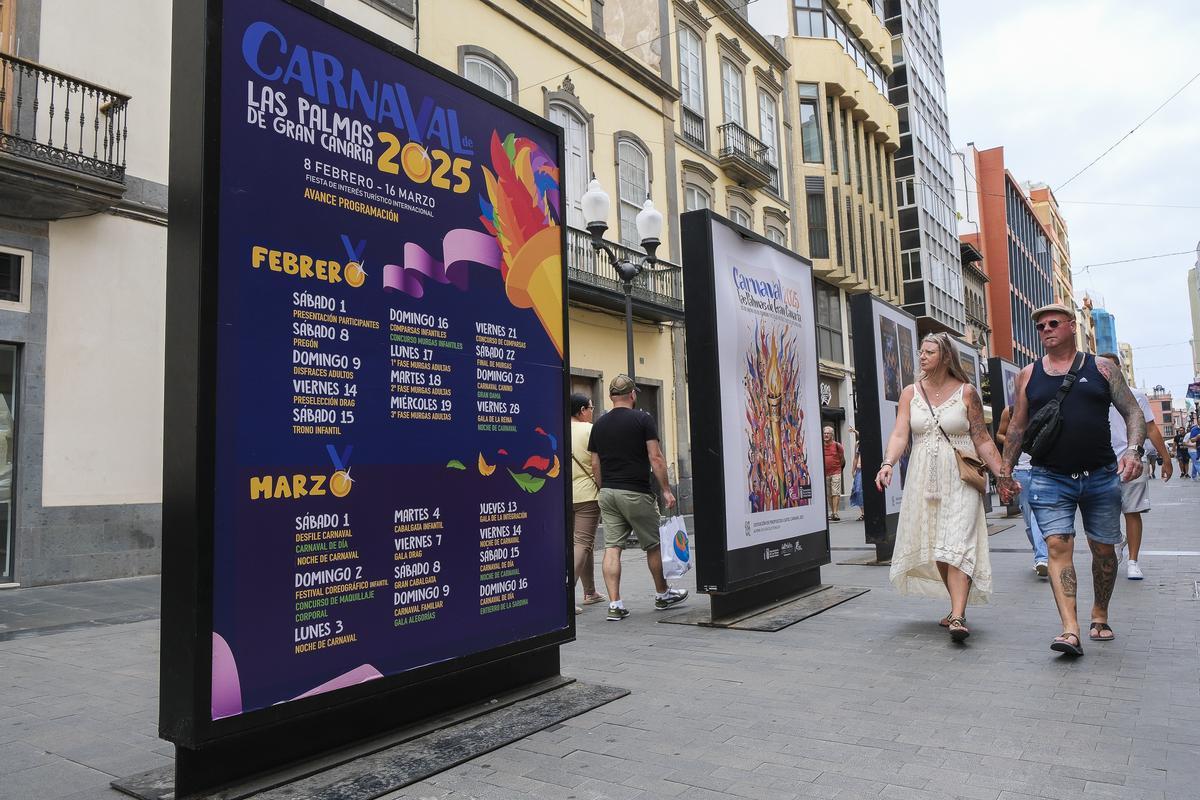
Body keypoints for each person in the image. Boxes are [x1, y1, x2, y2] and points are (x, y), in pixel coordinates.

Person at [998, 304, 1146, 656]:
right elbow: (1017, 427)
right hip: (1049, 478)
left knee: (1105, 552)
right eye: (1040, 326)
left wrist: (1135, 450)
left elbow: (1132, 411)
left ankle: (1100, 613)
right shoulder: (1028, 375)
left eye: (1053, 323)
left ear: (1071, 327)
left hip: (1101, 476)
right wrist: (1005, 471)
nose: (1046, 329)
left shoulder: (1101, 367)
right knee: (1057, 550)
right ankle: (1070, 629)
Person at [876, 332, 1004, 642]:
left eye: (929, 352)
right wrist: (888, 463)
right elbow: (899, 434)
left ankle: (958, 615)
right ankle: (955, 607)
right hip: (923, 478)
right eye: (921, 351)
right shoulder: (910, 393)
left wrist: (1004, 474)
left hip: (960, 478)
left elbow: (982, 438)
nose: (922, 357)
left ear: (945, 357)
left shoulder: (967, 393)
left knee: (958, 542)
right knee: (940, 547)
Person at [588, 374, 687, 620]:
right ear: (632, 395)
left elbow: (594, 462)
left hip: (608, 493)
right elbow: (656, 458)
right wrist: (665, 489)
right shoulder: (643, 419)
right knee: (652, 544)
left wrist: (604, 488)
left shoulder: (599, 424)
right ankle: (663, 594)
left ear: (611, 397)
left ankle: (615, 604)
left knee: (612, 547)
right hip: (636, 492)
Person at [1098, 354, 1173, 581]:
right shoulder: (1092, 395)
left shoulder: (1136, 395)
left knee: (1132, 512)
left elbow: (1150, 428)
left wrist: (1166, 458)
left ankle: (1133, 561)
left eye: (1110, 366)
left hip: (1132, 460)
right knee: (1105, 515)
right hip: (1101, 464)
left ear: (1120, 369)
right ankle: (1118, 541)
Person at [996, 405, 1048, 576]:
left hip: (1042, 468)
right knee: (1028, 518)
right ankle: (1039, 553)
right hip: (1021, 471)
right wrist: (1016, 441)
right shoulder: (1009, 410)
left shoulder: (1044, 403)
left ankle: (1042, 557)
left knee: (1037, 515)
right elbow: (999, 434)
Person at [569, 392, 606, 614]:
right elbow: (596, 464)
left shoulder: (558, 427)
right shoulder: (590, 429)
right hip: (587, 495)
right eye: (591, 408)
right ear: (582, 410)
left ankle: (590, 591)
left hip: (565, 494)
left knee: (585, 544)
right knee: (582, 543)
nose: (592, 412)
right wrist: (602, 487)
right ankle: (564, 597)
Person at [823, 426, 845, 521]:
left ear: (832, 435)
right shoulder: (821, 445)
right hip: (825, 473)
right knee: (829, 494)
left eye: (828, 433)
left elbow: (842, 459)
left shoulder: (837, 445)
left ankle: (835, 513)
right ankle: (832, 512)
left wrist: (839, 469)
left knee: (835, 492)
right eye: (825, 433)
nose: (826, 435)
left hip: (836, 471)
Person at [847, 427, 864, 521]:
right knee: (857, 490)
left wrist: (854, 431)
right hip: (859, 470)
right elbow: (855, 457)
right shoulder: (858, 444)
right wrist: (853, 470)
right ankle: (863, 513)